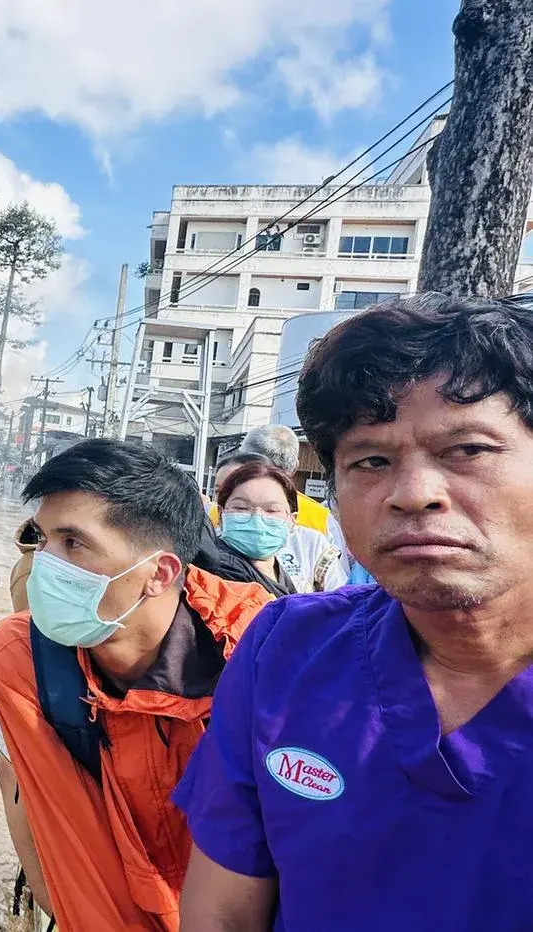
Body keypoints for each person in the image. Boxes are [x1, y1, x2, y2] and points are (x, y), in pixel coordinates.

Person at [174, 294, 533, 930]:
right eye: (371, 461)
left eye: (468, 450)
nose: (414, 495)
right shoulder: (286, 652)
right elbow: (223, 915)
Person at [0, 439, 272, 930]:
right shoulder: (21, 661)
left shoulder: (262, 656)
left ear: (158, 573)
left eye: (72, 543)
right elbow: (48, 816)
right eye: (41, 538)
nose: (44, 563)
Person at [215, 460, 347, 594]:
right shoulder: (209, 567)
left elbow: (341, 602)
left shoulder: (310, 546)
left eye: (272, 510)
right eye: (241, 508)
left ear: (292, 519)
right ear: (221, 513)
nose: (257, 518)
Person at [236, 424, 347, 552]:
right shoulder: (320, 518)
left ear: (242, 465)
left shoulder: (222, 510)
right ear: (294, 467)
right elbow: (337, 568)